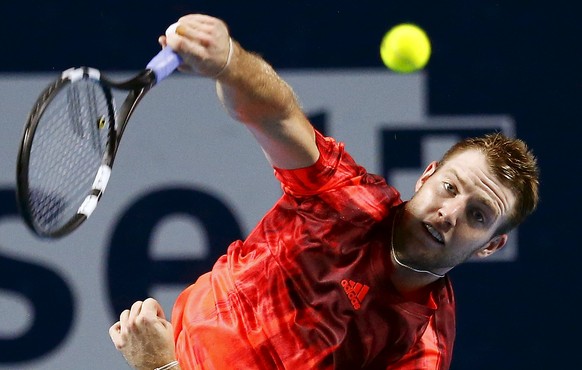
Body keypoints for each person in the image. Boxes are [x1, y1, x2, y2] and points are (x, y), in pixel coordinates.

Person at [109, 13, 539, 370]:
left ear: (491, 245)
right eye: (450, 187)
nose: (450, 213)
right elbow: (277, 115)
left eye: (478, 215)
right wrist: (227, 61)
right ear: (426, 175)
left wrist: (158, 365)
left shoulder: (419, 349)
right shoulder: (344, 201)